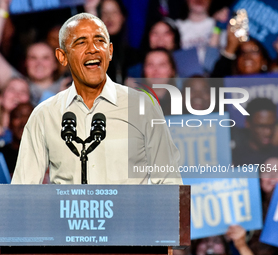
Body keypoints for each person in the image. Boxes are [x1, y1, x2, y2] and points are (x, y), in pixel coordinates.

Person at [11, 13, 182, 185]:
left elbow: (170, 184)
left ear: (110, 51)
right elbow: (22, 190)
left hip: (130, 212)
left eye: (100, 41)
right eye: (81, 42)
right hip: (69, 212)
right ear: (62, 57)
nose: (92, 49)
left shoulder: (142, 106)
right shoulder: (44, 115)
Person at [0, 0, 60, 106]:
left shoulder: (70, 86)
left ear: (56, 63)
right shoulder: (17, 87)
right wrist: (2, 9)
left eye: (45, 58)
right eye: (33, 58)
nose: (39, 63)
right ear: (25, 63)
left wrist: (89, 9)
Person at [0, 102, 34, 177]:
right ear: (9, 124)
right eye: (18, 116)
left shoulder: (50, 156)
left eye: (31, 117)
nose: (24, 121)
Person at [232, 98, 278, 166]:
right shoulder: (234, 159)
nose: (268, 132)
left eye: (271, 126)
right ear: (247, 123)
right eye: (261, 126)